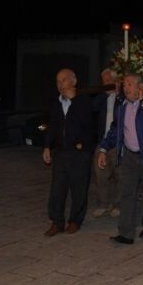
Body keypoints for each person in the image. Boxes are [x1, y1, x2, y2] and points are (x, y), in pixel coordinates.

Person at [98, 74, 143, 244]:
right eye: (124, 84)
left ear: (140, 87)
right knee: (126, 193)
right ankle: (126, 233)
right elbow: (115, 129)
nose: (126, 87)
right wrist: (104, 149)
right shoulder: (121, 105)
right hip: (129, 156)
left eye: (129, 84)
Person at [43, 68, 94, 236]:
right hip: (61, 152)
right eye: (58, 81)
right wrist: (47, 146)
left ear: (73, 81)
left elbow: (87, 125)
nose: (60, 84)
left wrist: (74, 102)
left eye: (63, 80)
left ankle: (75, 221)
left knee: (78, 189)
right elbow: (53, 126)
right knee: (57, 189)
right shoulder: (56, 102)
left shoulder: (84, 101)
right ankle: (57, 221)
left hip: (80, 152)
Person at [91, 68, 121, 218]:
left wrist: (117, 93)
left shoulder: (122, 98)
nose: (105, 84)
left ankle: (118, 204)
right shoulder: (102, 98)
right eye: (103, 82)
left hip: (118, 143)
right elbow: (92, 107)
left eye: (108, 81)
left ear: (116, 81)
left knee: (119, 175)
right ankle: (103, 203)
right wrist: (105, 94)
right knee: (100, 174)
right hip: (102, 142)